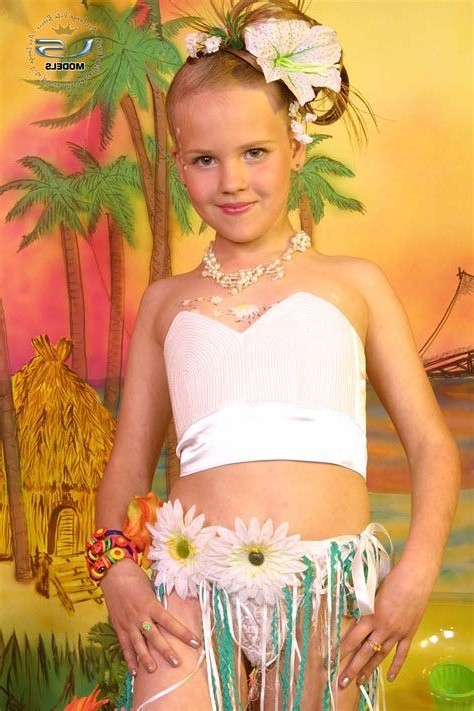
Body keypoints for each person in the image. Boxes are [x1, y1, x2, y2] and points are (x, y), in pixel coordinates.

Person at [88, 1, 460, 709]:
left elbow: (431, 446)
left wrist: (415, 572)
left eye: (254, 152)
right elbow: (128, 468)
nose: (231, 181)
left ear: (296, 146)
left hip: (322, 589)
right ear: (178, 165)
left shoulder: (355, 285)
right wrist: (119, 572)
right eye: (205, 160)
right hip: (190, 586)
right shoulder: (166, 304)